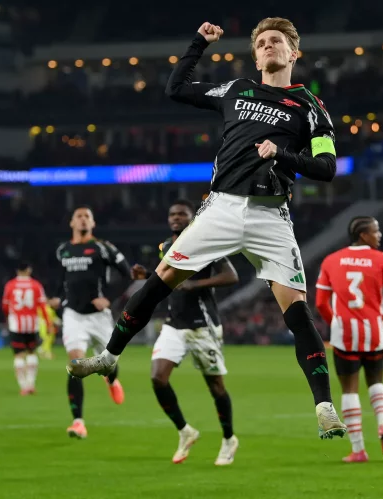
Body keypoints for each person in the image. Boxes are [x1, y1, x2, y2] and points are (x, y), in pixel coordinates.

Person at [68, 18, 347, 439]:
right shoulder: (236, 90)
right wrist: (198, 44)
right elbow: (176, 88)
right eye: (263, 43)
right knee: (162, 279)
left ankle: (324, 406)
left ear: (294, 53)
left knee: (297, 312)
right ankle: (108, 357)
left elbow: (327, 168)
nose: (269, 46)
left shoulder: (311, 107)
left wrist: (284, 156)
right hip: (219, 208)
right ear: (255, 55)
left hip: (270, 216)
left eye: (278, 41)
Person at [141, 200, 240, 465]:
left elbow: (231, 276)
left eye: (181, 214)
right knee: (158, 378)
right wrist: (146, 277)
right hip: (174, 324)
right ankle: (185, 431)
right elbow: (165, 278)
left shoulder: (206, 241)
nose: (175, 217)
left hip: (202, 325)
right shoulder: (165, 247)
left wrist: (194, 284)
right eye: (172, 214)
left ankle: (229, 438)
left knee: (216, 387)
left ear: (191, 217)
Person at [315, 217, 383, 463]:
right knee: (376, 382)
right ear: (363, 235)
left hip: (345, 334)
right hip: (374, 331)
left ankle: (358, 450)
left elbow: (321, 303)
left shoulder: (331, 260)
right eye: (376, 230)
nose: (379, 234)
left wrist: (336, 323)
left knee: (349, 388)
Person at [51, 206, 142, 439]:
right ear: (72, 223)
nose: (83, 220)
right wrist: (56, 298)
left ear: (92, 223)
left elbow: (128, 274)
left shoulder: (103, 248)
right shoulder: (63, 250)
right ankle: (78, 422)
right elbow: (62, 281)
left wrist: (109, 298)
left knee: (108, 363)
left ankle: (112, 381)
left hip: (99, 317)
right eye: (79, 216)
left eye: (87, 216)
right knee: (75, 364)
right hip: (73, 315)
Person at [2, 261, 54, 395]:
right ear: (29, 270)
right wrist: (48, 323)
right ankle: (31, 384)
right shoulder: (36, 285)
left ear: (17, 271)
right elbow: (43, 306)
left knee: (19, 356)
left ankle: (23, 386)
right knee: (31, 353)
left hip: (16, 325)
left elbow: (5, 306)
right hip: (32, 324)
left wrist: (7, 318)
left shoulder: (10, 285)